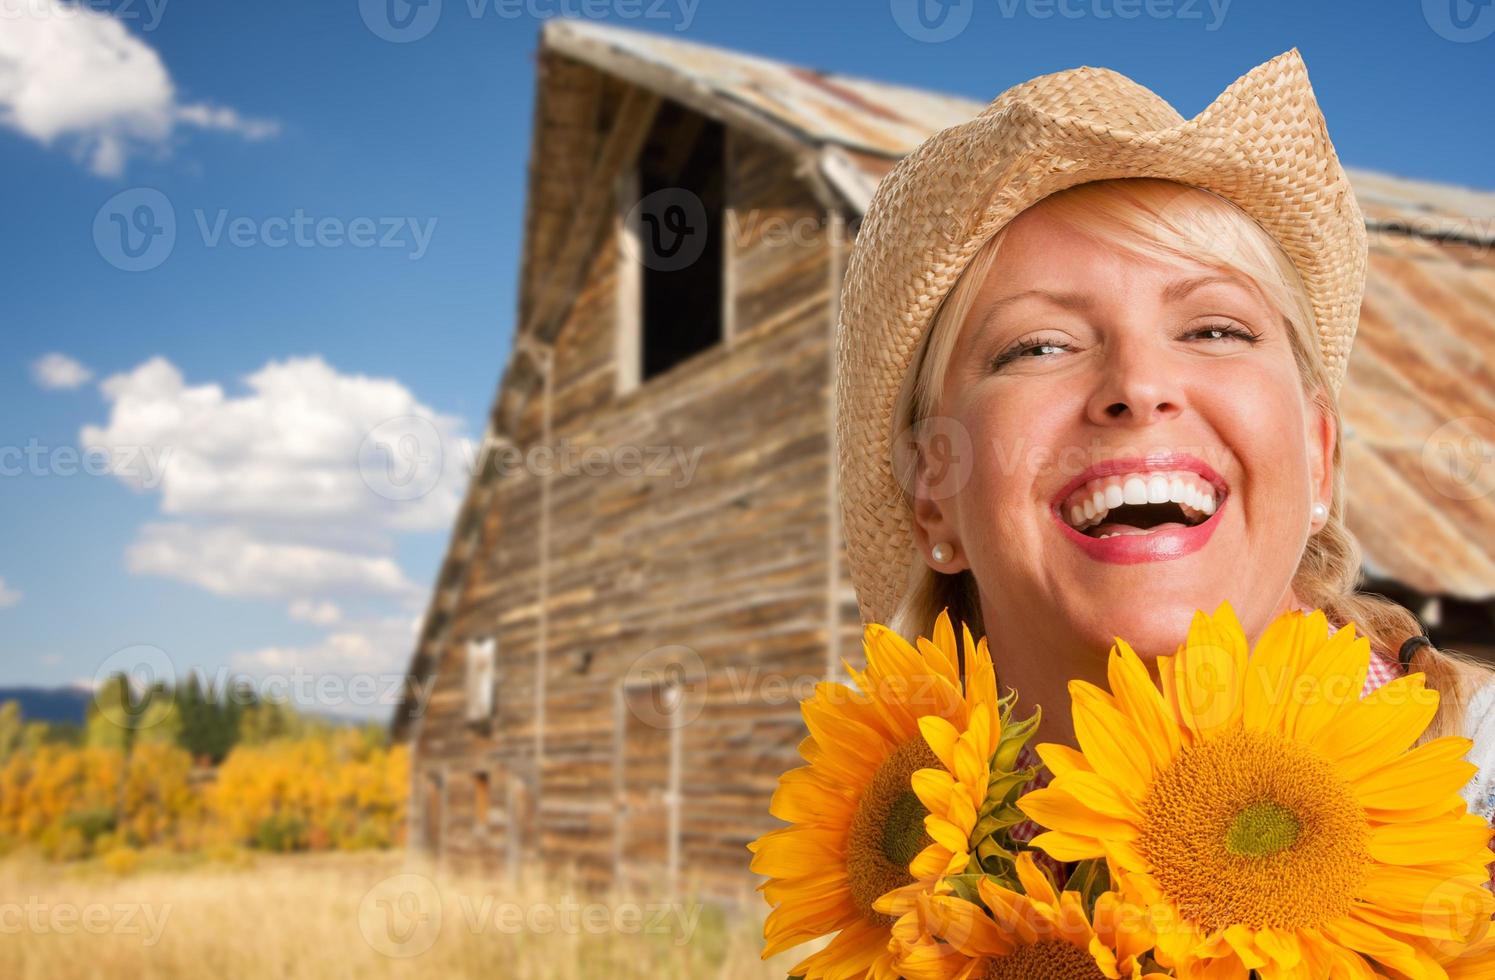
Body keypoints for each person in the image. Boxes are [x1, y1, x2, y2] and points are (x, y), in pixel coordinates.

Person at [833, 49, 1495, 841]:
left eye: (1214, 329)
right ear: (932, 495)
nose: (1138, 385)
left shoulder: (1472, 786)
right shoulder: (891, 894)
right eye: (1040, 346)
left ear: (1319, 456)